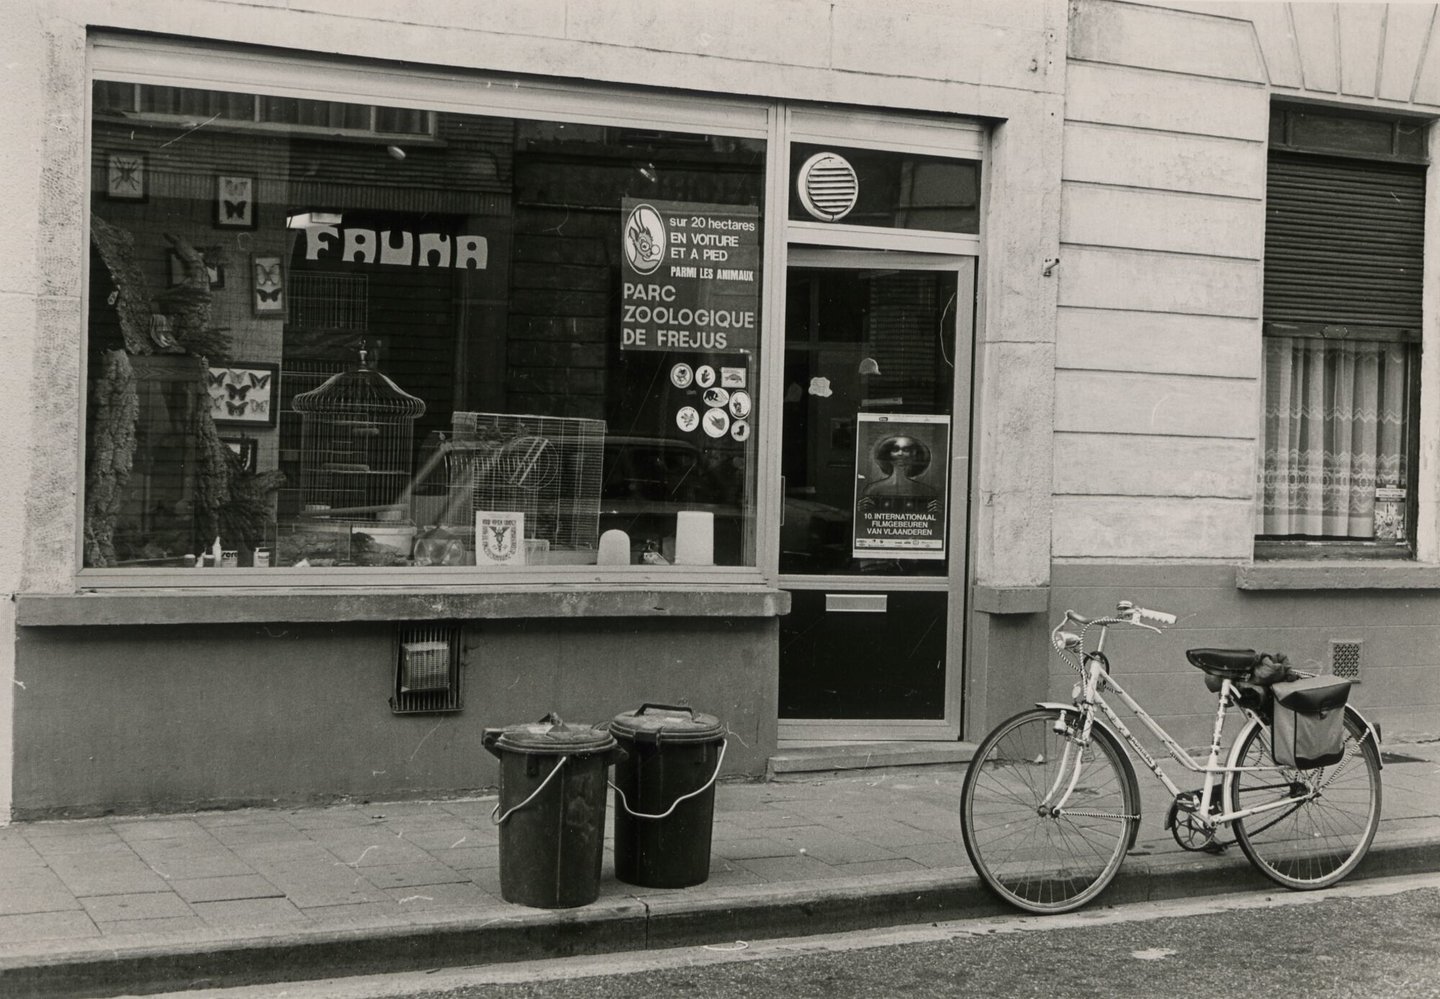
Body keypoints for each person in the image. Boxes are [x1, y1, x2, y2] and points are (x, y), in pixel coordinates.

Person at [858, 435, 940, 515]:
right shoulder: (873, 490)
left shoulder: (926, 491)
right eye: (895, 449)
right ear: (887, 455)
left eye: (906, 450)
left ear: (914, 455)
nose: (900, 454)